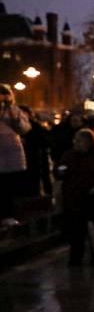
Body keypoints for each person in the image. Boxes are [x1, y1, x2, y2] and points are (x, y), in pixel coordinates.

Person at [56, 128, 94, 265]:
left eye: (80, 141)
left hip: (93, 200)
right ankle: (76, 257)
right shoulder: (69, 155)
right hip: (74, 199)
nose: (76, 143)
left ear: (89, 142)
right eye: (75, 140)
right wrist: (59, 171)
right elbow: (59, 171)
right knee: (76, 231)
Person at [0, 83, 31, 221]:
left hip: (11, 150)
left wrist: (14, 117)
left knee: (10, 184)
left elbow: (24, 129)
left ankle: (10, 215)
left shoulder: (14, 111)